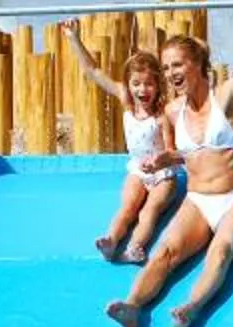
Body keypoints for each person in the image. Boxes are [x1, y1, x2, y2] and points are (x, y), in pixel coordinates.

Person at [107, 0, 233, 327]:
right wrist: (164, 160)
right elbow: (185, 154)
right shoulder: (173, 112)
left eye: (177, 64)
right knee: (164, 253)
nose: (171, 73)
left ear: (197, 64)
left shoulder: (225, 97)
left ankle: (192, 306)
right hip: (197, 201)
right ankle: (132, 306)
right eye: (166, 67)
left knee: (220, 251)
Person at [60, 20, 179, 264]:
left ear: (158, 86)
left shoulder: (162, 115)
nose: (142, 89)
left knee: (149, 210)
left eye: (148, 84)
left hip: (163, 174)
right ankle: (112, 240)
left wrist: (159, 163)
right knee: (128, 208)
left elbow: (171, 151)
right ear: (128, 85)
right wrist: (74, 38)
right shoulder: (126, 102)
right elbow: (93, 72)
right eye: (136, 83)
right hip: (137, 169)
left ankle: (136, 247)